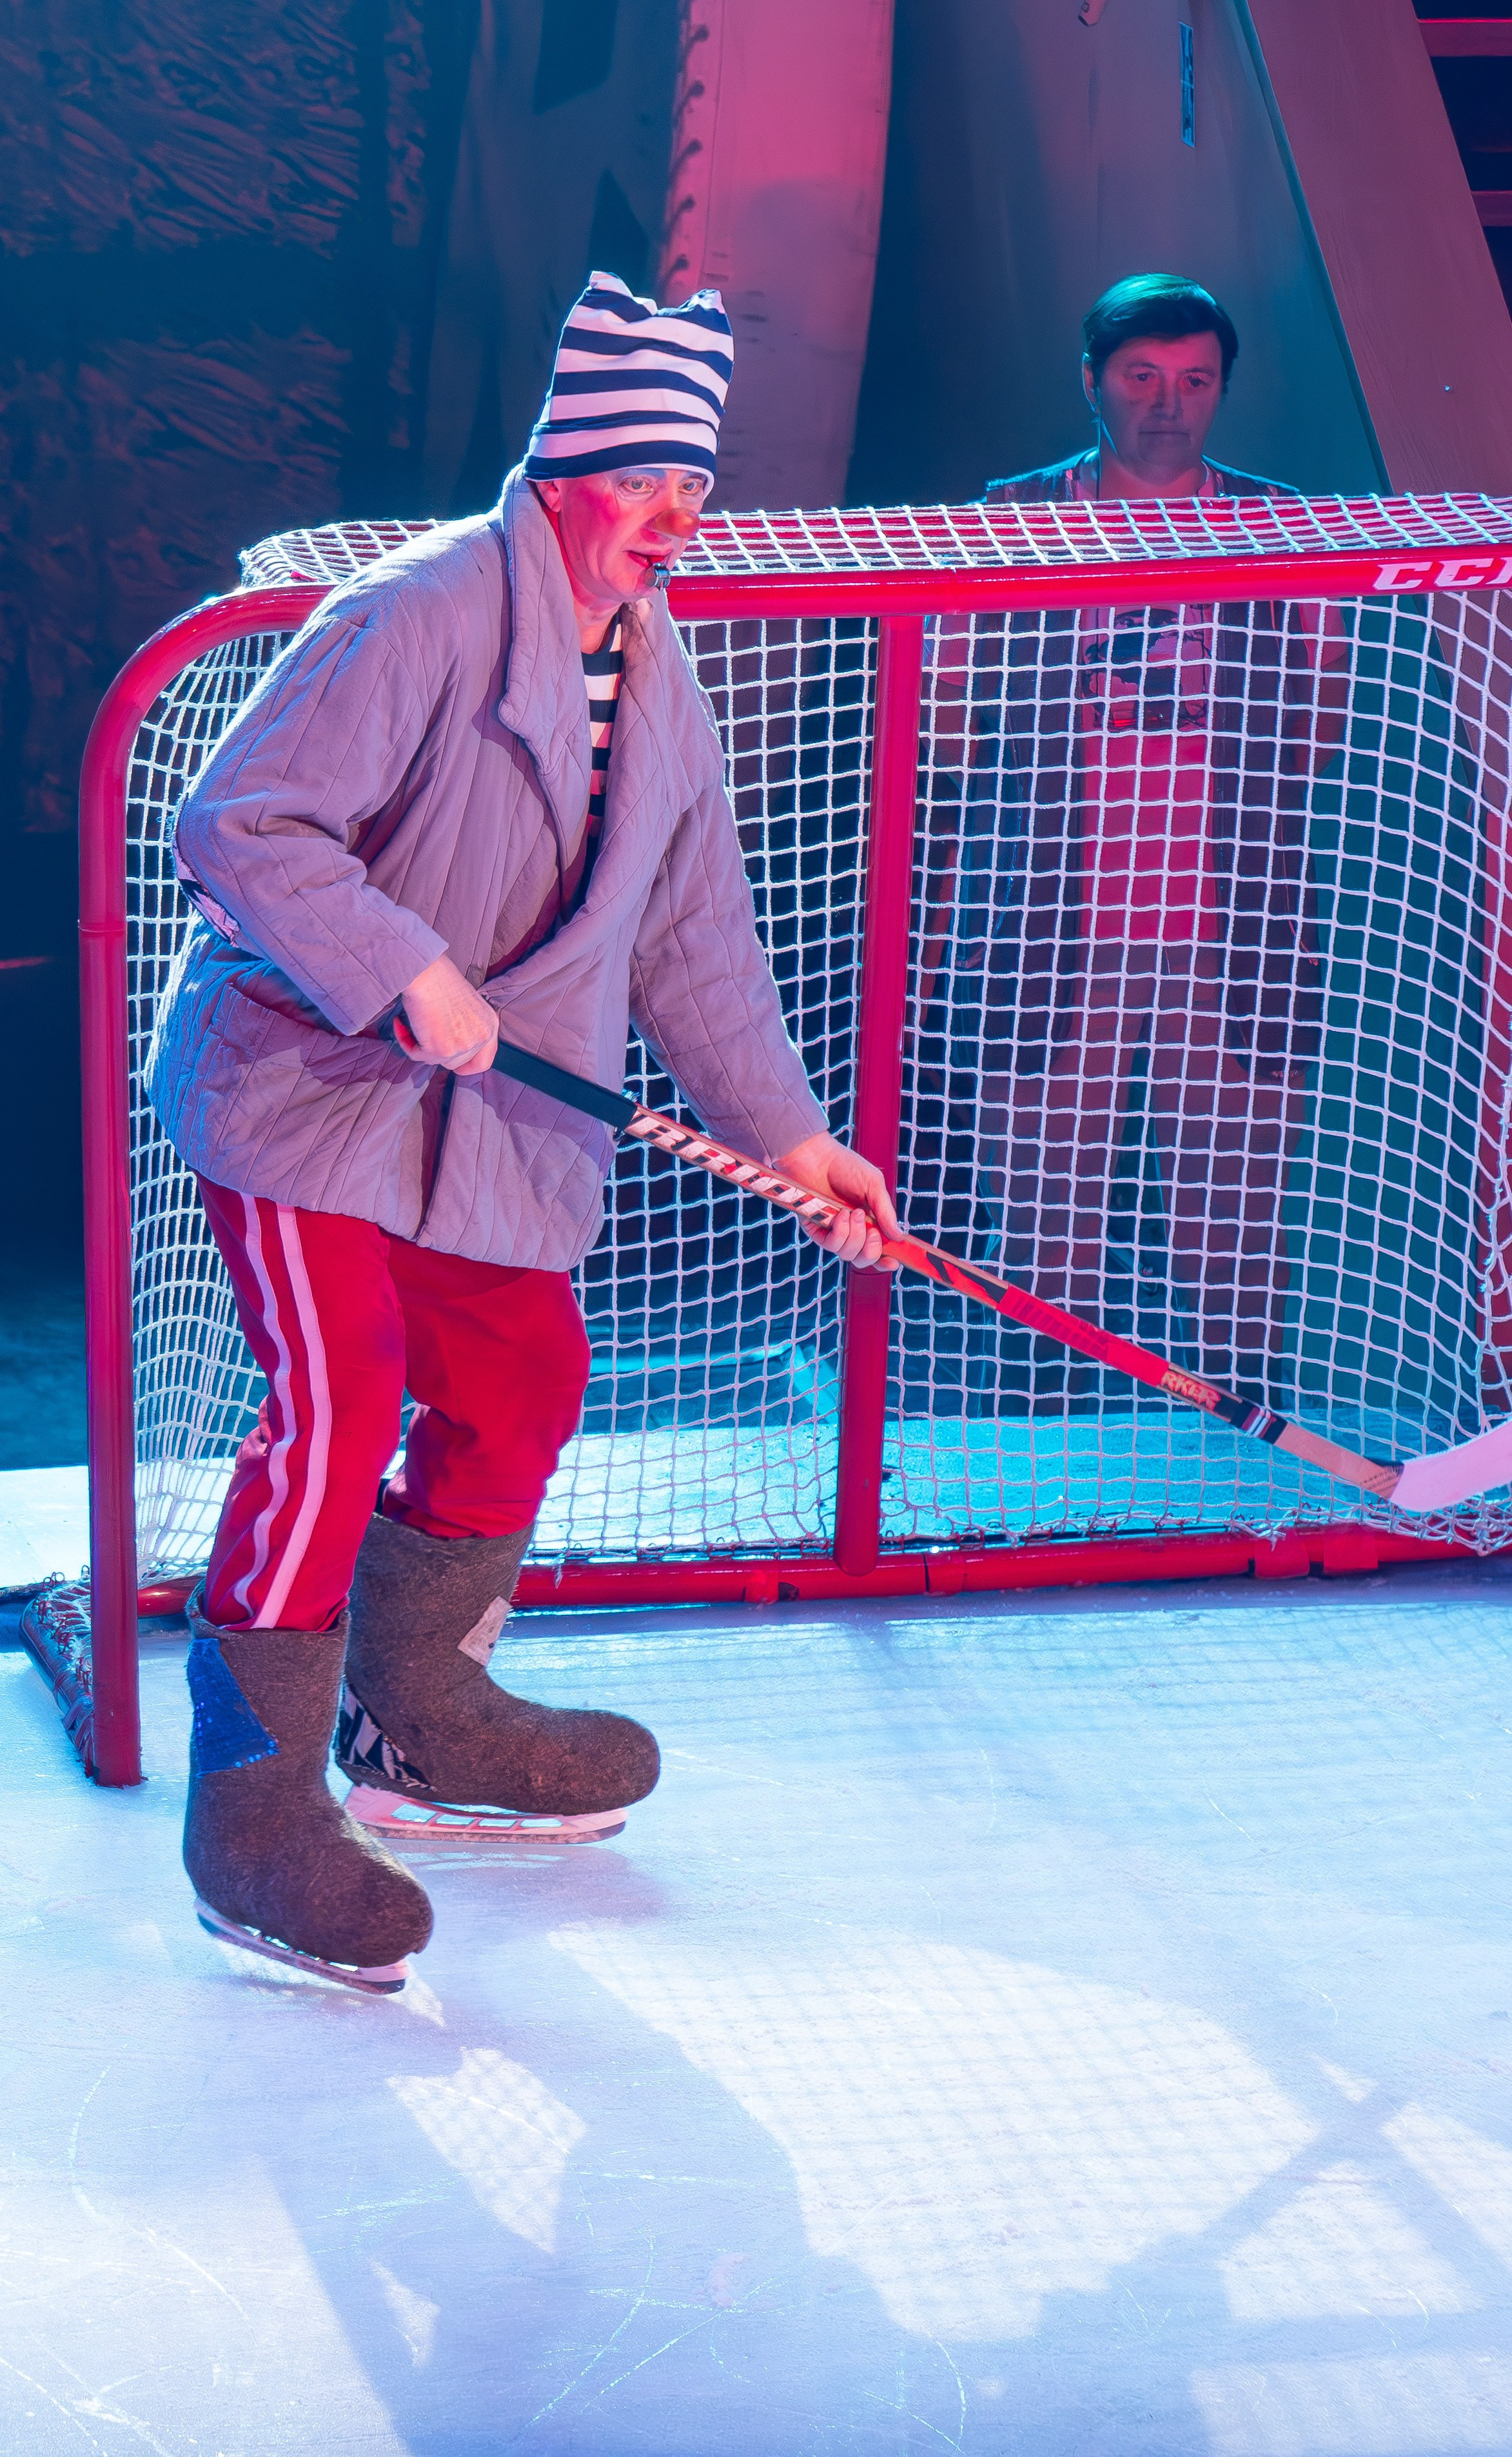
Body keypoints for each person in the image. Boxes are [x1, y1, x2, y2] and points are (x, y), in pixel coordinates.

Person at [148, 271, 897, 1993]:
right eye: (645, 488)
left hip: (493, 1126)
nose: (670, 525)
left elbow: (691, 934)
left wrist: (789, 1138)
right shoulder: (408, 615)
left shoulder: (656, 666)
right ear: (565, 468)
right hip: (308, 1097)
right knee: (336, 1399)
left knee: (522, 1382)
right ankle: (250, 1809)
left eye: (693, 494)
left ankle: (411, 1718)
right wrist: (398, 961)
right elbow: (238, 823)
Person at [932, 274, 1346, 1408]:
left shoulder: (1284, 528)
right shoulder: (1012, 519)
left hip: (1230, 926)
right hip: (1047, 920)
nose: (1169, 403)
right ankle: (1035, 1435)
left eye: (1195, 381)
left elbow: (1317, 726)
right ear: (1092, 382)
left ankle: (1242, 1441)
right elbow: (951, 717)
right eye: (1142, 377)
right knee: (1042, 1207)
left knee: (1232, 1212)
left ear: (1221, 392)